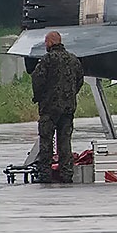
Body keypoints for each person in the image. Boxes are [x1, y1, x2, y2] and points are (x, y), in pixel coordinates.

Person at [30, 30, 84, 184]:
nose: (45, 44)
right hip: (68, 108)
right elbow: (79, 80)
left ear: (51, 42)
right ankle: (67, 174)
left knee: (46, 141)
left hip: (49, 108)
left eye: (46, 42)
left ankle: (45, 175)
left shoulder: (47, 60)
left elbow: (37, 79)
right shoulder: (74, 60)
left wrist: (39, 97)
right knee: (65, 142)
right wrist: (70, 95)